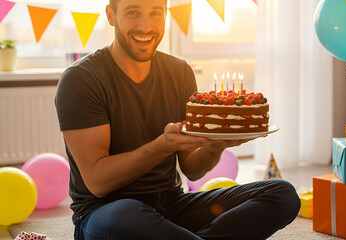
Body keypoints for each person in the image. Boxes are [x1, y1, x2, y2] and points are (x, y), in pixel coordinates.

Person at [55, 0, 300, 239]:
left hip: (171, 207)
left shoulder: (179, 71)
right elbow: (98, 182)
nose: (146, 25)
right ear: (111, 15)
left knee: (282, 193)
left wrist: (215, 146)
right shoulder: (81, 79)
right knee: (126, 215)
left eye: (156, 13)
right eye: (133, 13)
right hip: (106, 214)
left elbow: (192, 170)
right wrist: (162, 145)